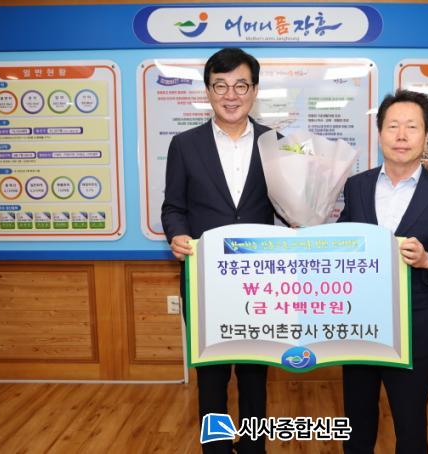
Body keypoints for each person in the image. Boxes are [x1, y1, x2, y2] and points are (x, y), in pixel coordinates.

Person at [338, 89, 428, 454]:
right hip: (359, 325)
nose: (401, 135)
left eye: (412, 126)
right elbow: (346, 238)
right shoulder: (357, 186)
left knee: (411, 427)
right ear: (379, 132)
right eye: (392, 125)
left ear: (426, 135)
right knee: (356, 425)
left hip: (413, 329)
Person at [161, 48, 275, 454]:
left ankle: (253, 448)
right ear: (208, 91)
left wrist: (302, 222)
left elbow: (288, 206)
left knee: (254, 375)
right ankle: (216, 448)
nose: (231, 95)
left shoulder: (275, 143)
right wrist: (176, 234)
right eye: (220, 85)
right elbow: (173, 207)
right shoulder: (185, 145)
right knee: (211, 378)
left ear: (254, 90)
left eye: (240, 85)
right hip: (205, 280)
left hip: (260, 284)